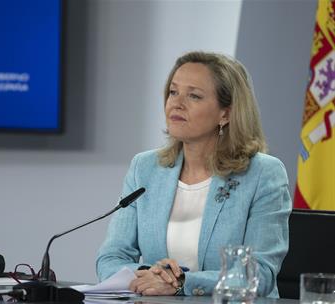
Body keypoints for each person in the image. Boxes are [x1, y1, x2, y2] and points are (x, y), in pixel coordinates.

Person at [96, 51, 292, 298]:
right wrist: (151, 276)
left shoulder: (262, 173)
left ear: (226, 113)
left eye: (194, 96)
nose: (176, 103)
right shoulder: (145, 168)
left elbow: (259, 274)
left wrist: (181, 283)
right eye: (173, 92)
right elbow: (111, 258)